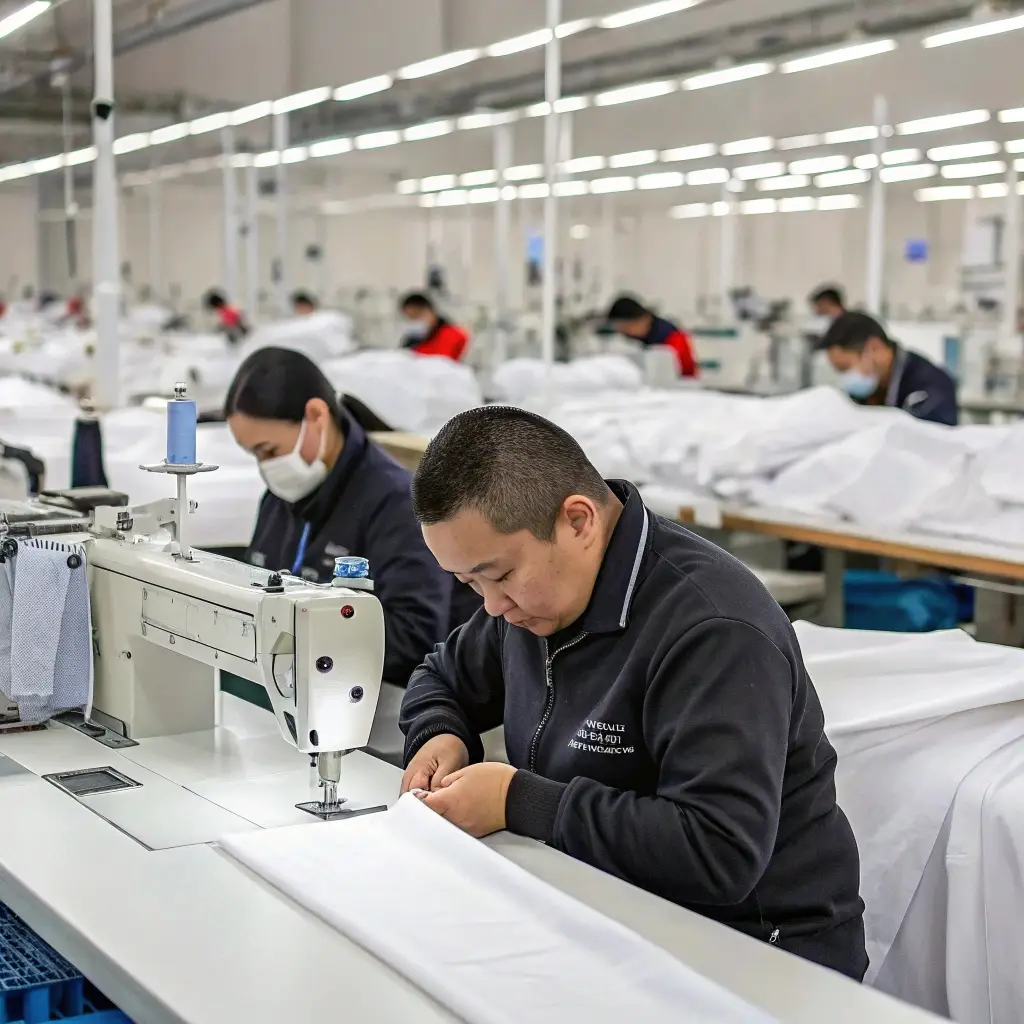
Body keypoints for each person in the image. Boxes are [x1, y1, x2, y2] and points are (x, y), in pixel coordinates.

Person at [399, 406, 867, 980]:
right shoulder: (529, 604)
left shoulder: (711, 630)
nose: (491, 607)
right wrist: (437, 732)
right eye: (468, 584)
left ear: (578, 521)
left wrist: (516, 799)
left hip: (755, 951)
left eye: (496, 577)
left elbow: (717, 850)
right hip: (605, 905)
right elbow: (440, 676)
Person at [225, 347, 479, 683]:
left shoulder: (394, 503)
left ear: (317, 416)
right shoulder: (277, 501)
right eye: (254, 455)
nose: (266, 467)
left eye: (270, 451)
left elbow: (415, 635)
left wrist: (304, 642)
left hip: (380, 702)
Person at [819, 311, 958, 426]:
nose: (847, 378)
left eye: (846, 368)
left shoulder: (930, 390)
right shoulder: (868, 393)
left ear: (874, 348)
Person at [605, 295, 698, 377]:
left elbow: (687, 373)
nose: (625, 333)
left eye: (626, 328)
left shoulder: (673, 339)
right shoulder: (639, 340)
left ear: (642, 319)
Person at [399, 292, 469, 362]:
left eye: (417, 316)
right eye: (410, 318)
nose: (415, 322)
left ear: (431, 312)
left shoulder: (453, 335)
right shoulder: (412, 341)